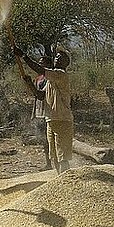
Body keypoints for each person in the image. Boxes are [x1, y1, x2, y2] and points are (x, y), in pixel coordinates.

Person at [16, 45, 73, 174]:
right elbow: (40, 95)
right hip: (51, 120)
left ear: (66, 63)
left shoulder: (61, 74)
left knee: (62, 155)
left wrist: (23, 55)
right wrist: (29, 83)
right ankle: (60, 179)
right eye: (56, 57)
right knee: (54, 155)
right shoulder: (49, 80)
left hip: (62, 120)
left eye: (61, 58)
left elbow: (40, 69)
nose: (57, 59)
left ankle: (67, 180)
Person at [24, 55, 53, 170]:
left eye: (43, 64)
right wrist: (33, 113)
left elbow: (41, 95)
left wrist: (30, 84)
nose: (41, 65)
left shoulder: (50, 78)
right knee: (43, 140)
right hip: (39, 112)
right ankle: (48, 163)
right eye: (40, 63)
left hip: (48, 112)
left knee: (50, 139)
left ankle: (55, 162)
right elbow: (36, 97)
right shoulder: (39, 78)